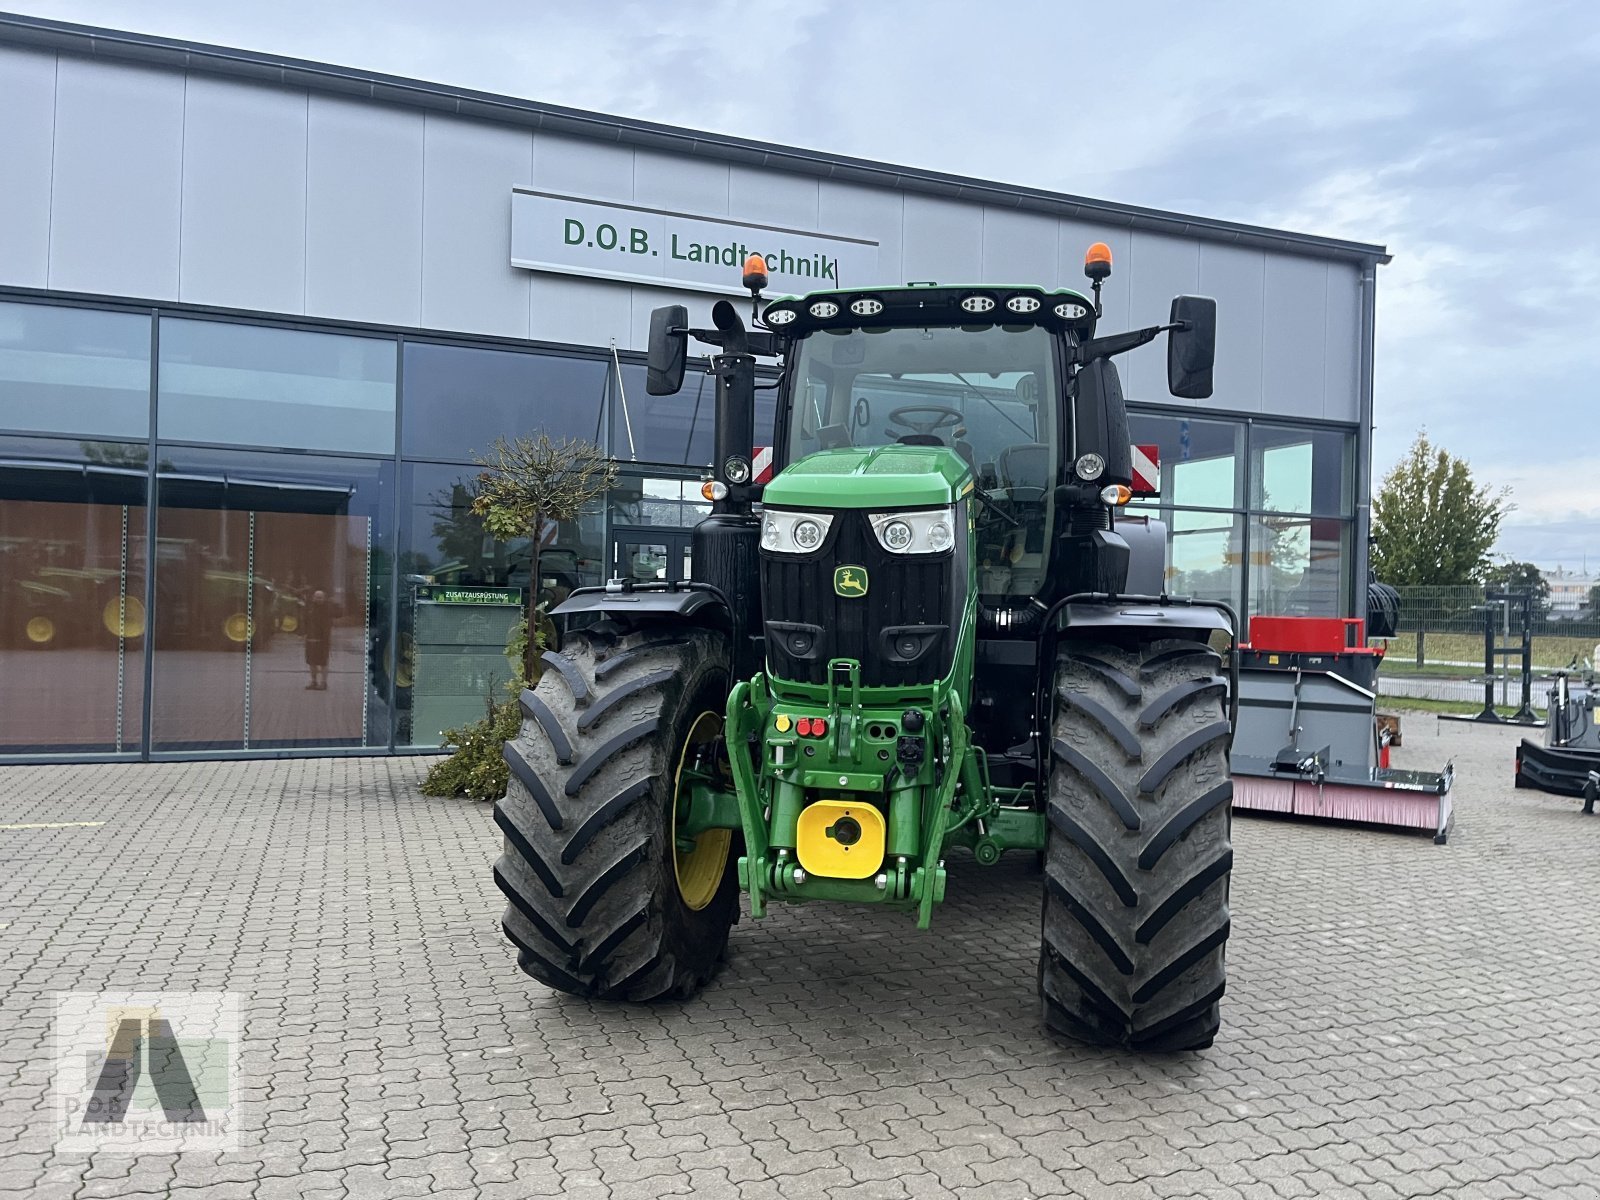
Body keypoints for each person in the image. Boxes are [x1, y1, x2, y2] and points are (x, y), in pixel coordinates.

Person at [304, 589, 331, 690]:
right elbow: (306, 621)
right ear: (313, 598)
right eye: (316, 597)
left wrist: (326, 641)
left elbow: (327, 627)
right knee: (311, 662)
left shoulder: (326, 610)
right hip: (310, 640)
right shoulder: (310, 608)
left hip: (322, 641)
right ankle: (314, 681)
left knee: (323, 662)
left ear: (324, 598)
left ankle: (323, 683)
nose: (318, 599)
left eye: (320, 597)